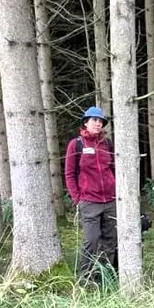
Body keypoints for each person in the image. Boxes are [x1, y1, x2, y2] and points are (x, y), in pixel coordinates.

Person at [64, 105, 117, 281]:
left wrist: (116, 191)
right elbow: (69, 174)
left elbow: (113, 169)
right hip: (89, 202)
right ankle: (85, 278)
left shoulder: (107, 144)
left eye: (101, 121)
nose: (98, 124)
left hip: (110, 201)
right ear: (85, 122)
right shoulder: (76, 144)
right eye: (94, 120)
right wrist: (77, 198)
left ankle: (104, 275)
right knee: (92, 241)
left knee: (110, 240)